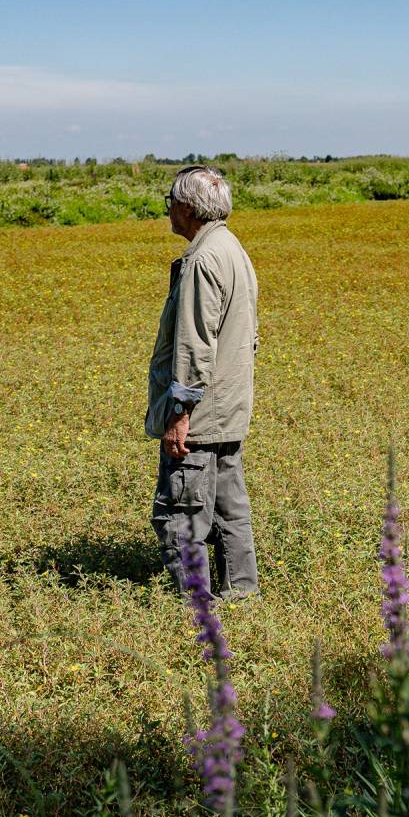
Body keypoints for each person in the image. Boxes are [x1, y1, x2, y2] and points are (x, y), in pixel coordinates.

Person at [147, 165, 261, 599]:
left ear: (189, 206)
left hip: (202, 415)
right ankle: (242, 596)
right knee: (229, 509)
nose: (168, 211)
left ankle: (196, 609)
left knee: (181, 514)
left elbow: (196, 345)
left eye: (170, 202)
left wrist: (180, 413)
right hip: (228, 407)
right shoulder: (232, 248)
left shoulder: (203, 259)